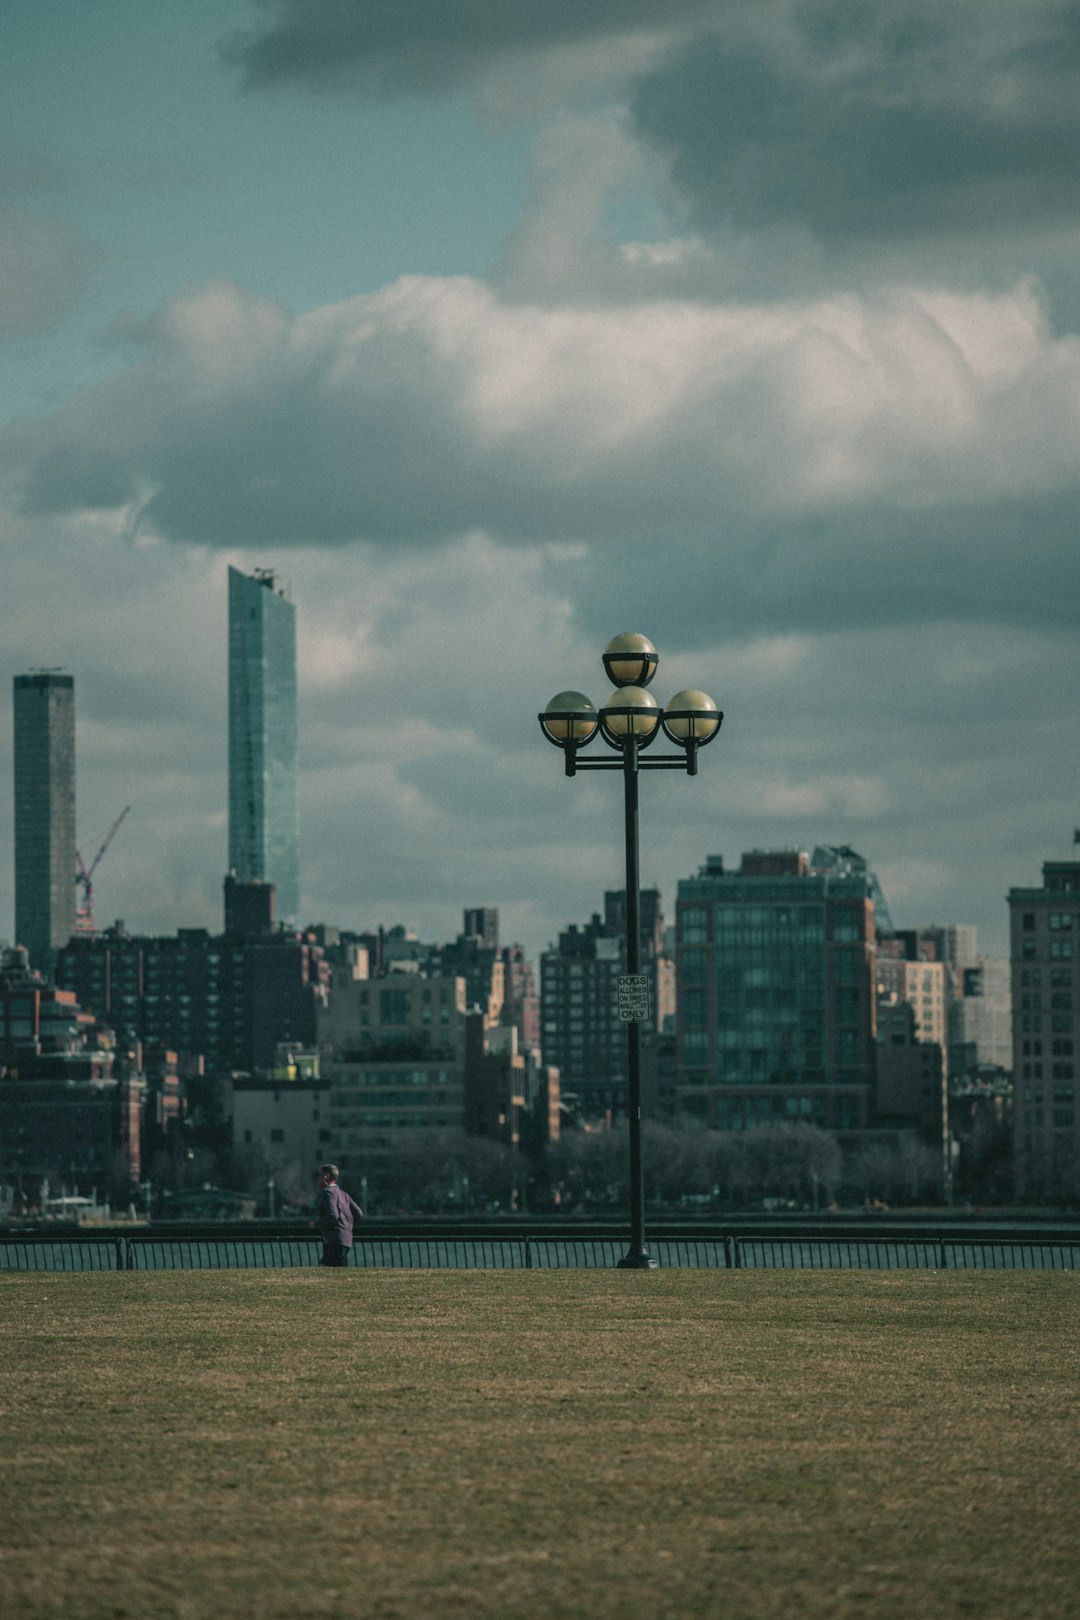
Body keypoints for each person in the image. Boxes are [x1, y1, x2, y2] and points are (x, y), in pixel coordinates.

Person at [313, 1164, 363, 1267]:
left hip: (334, 1240)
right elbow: (359, 1213)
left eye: (320, 1176)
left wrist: (316, 1223)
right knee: (339, 1272)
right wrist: (346, 1225)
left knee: (325, 1268)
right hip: (347, 1240)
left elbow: (333, 1216)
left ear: (326, 1176)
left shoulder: (328, 1193)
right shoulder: (343, 1194)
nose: (318, 1179)